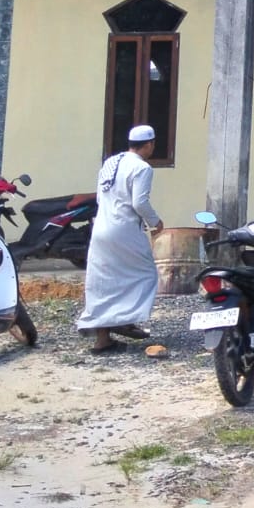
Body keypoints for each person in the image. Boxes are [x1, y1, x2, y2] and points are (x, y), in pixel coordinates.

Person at [77, 125, 163, 354]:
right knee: (145, 274)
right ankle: (123, 319)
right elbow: (139, 203)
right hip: (124, 230)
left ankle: (103, 340)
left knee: (103, 281)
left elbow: (100, 197)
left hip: (101, 228)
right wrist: (155, 222)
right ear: (149, 144)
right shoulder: (142, 168)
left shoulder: (111, 162)